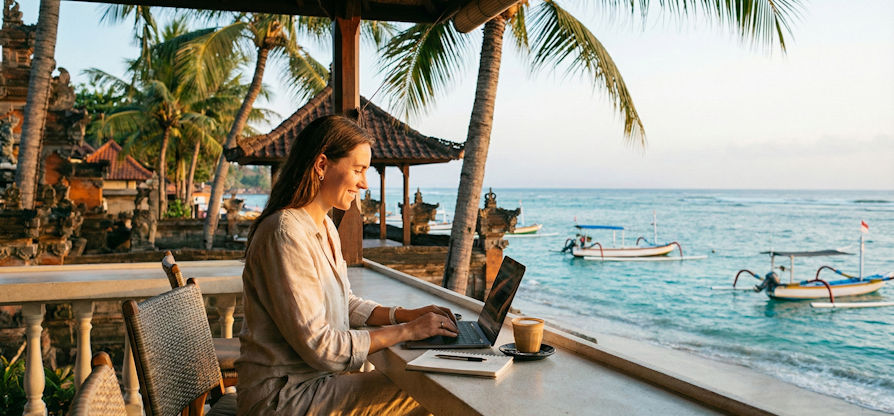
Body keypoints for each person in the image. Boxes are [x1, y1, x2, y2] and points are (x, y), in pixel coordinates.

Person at [236, 115, 459, 415]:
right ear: (322, 165)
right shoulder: (285, 233)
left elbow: (345, 302)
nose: (364, 183)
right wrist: (407, 330)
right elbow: (321, 346)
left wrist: (403, 314)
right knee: (428, 389)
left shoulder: (325, 226)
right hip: (284, 399)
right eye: (358, 170)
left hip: (314, 385)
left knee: (424, 384)